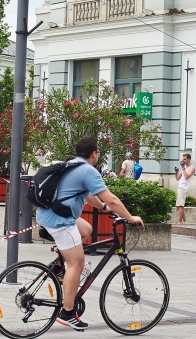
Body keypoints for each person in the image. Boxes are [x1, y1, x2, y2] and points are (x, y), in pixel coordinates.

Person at [35, 136, 143, 331]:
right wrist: (130, 217)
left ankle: (58, 267)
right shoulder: (88, 170)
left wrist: (102, 208)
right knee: (77, 263)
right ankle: (67, 313)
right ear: (94, 154)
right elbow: (113, 200)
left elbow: (88, 194)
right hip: (60, 220)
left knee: (86, 230)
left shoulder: (72, 165)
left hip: (48, 213)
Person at [174, 153, 195, 223]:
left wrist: (183, 168)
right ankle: (185, 221)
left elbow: (186, 176)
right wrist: (176, 172)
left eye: (185, 159)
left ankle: (179, 222)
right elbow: (177, 178)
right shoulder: (184, 167)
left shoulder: (192, 168)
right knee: (178, 206)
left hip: (184, 187)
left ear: (189, 159)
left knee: (180, 205)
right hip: (180, 187)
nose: (183, 161)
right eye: (183, 159)